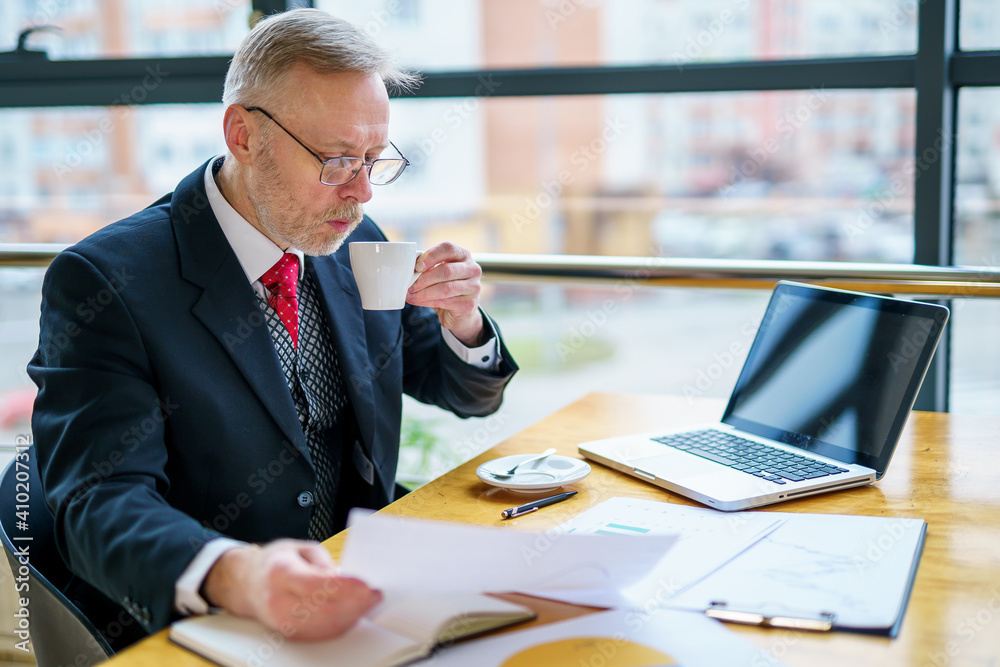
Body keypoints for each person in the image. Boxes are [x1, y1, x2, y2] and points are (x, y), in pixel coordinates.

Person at [26, 9, 517, 650]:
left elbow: (462, 393)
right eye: (338, 160)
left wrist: (463, 322)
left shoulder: (351, 238)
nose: (364, 192)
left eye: (376, 158)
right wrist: (239, 574)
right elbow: (98, 503)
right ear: (244, 135)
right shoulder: (105, 282)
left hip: (357, 590)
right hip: (206, 623)